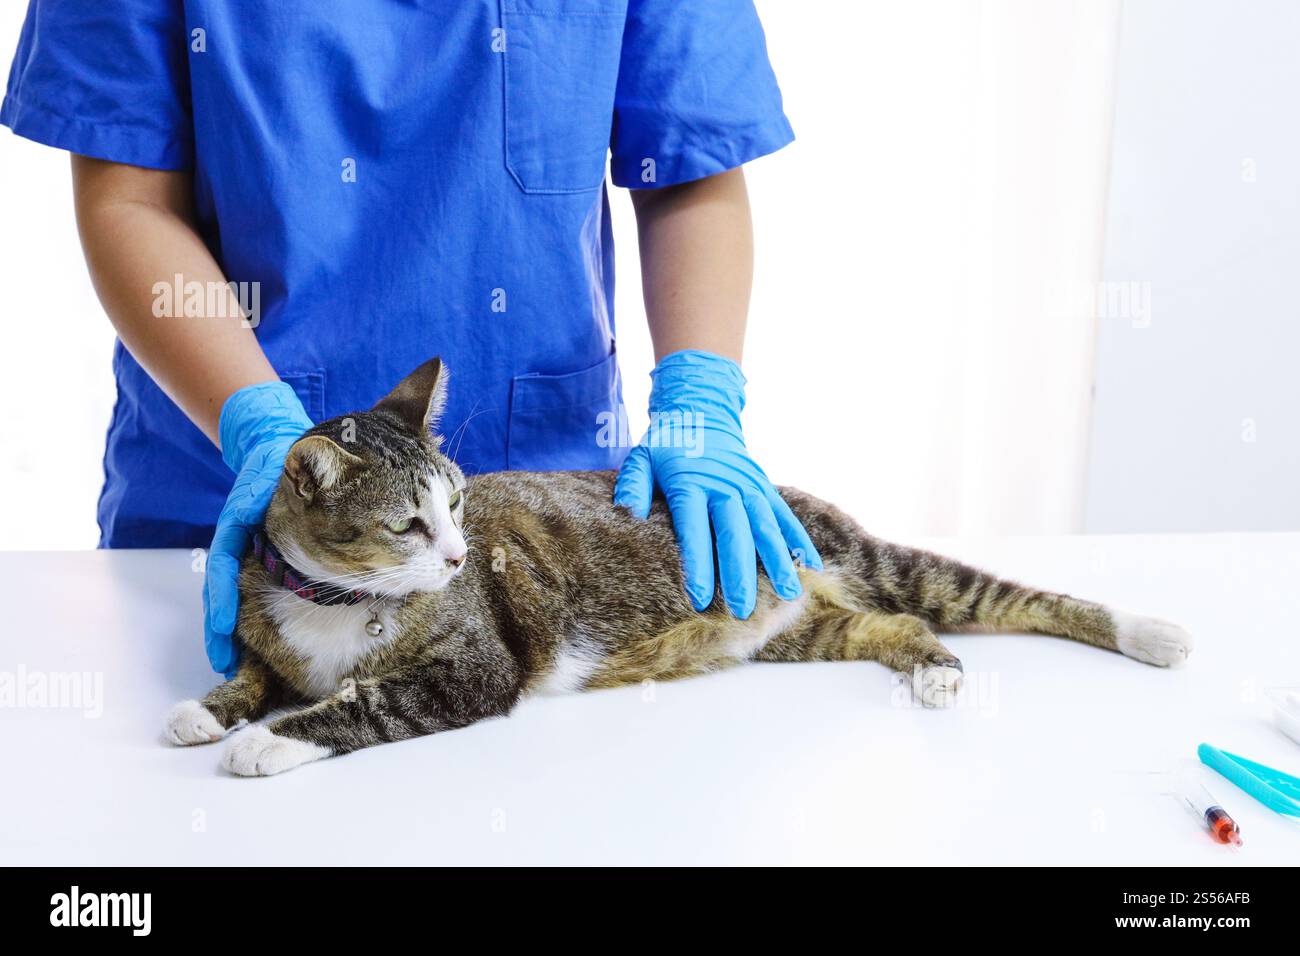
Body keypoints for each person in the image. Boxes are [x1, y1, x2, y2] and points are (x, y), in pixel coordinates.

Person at [2, 0, 821, 678]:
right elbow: (131, 199)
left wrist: (699, 401)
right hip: (225, 510)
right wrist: (258, 427)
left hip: (543, 532)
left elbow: (688, 162)